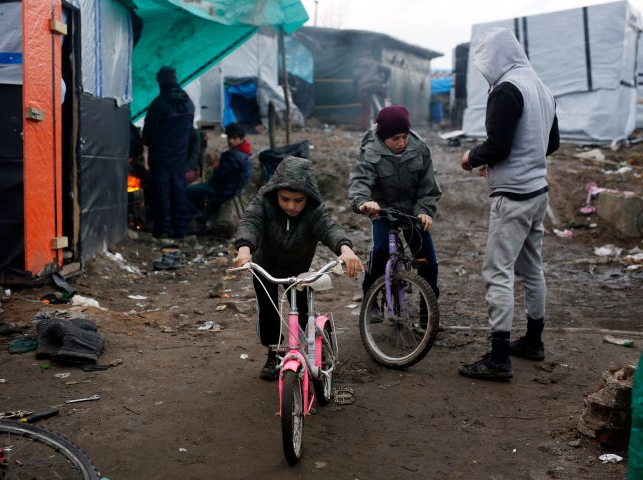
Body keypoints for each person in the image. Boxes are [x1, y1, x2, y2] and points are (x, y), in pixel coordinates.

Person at [458, 27, 560, 382]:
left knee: (497, 272)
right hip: (537, 193)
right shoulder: (541, 88)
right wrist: (516, 160)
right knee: (532, 269)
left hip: (513, 199)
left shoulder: (506, 90)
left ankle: (499, 357)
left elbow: (498, 145)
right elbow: (551, 144)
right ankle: (534, 341)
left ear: (497, 56)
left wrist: (472, 157)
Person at [233, 156, 364, 381]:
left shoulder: (314, 210)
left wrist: (345, 249)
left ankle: (311, 349)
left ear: (308, 198)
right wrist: (244, 248)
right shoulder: (263, 201)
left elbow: (329, 227)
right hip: (266, 268)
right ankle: (273, 354)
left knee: (303, 313)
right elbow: (250, 222)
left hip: (298, 271)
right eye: (285, 199)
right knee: (269, 312)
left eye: (298, 200)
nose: (291, 206)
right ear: (276, 193)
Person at [348, 105, 442, 325]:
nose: (401, 142)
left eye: (405, 136)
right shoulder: (370, 150)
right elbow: (360, 181)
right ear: (383, 138)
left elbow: (428, 188)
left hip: (412, 212)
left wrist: (424, 212)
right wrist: (364, 203)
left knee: (429, 261)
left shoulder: (419, 148)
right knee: (381, 251)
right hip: (382, 210)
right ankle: (371, 299)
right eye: (395, 138)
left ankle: (428, 314)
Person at [142, 66, 195, 239]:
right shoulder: (189, 103)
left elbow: (147, 134)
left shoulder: (159, 104)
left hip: (160, 158)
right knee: (179, 192)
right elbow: (190, 131)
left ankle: (162, 230)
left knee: (162, 194)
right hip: (180, 158)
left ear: (161, 82)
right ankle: (181, 229)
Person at [186, 122, 252, 231]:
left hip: (224, 190)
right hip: (236, 189)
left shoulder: (232, 155)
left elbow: (218, 177)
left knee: (188, 191)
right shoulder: (247, 153)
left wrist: (216, 165)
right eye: (229, 138)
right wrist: (218, 163)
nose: (231, 141)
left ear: (241, 139)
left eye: (234, 138)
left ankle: (200, 217)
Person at [352, 51, 391, 131]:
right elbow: (388, 70)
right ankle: (391, 114)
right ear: (371, 57)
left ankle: (363, 128)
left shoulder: (358, 66)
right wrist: (384, 81)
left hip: (364, 87)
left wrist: (357, 85)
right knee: (386, 99)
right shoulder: (375, 63)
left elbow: (355, 78)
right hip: (376, 85)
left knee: (365, 109)